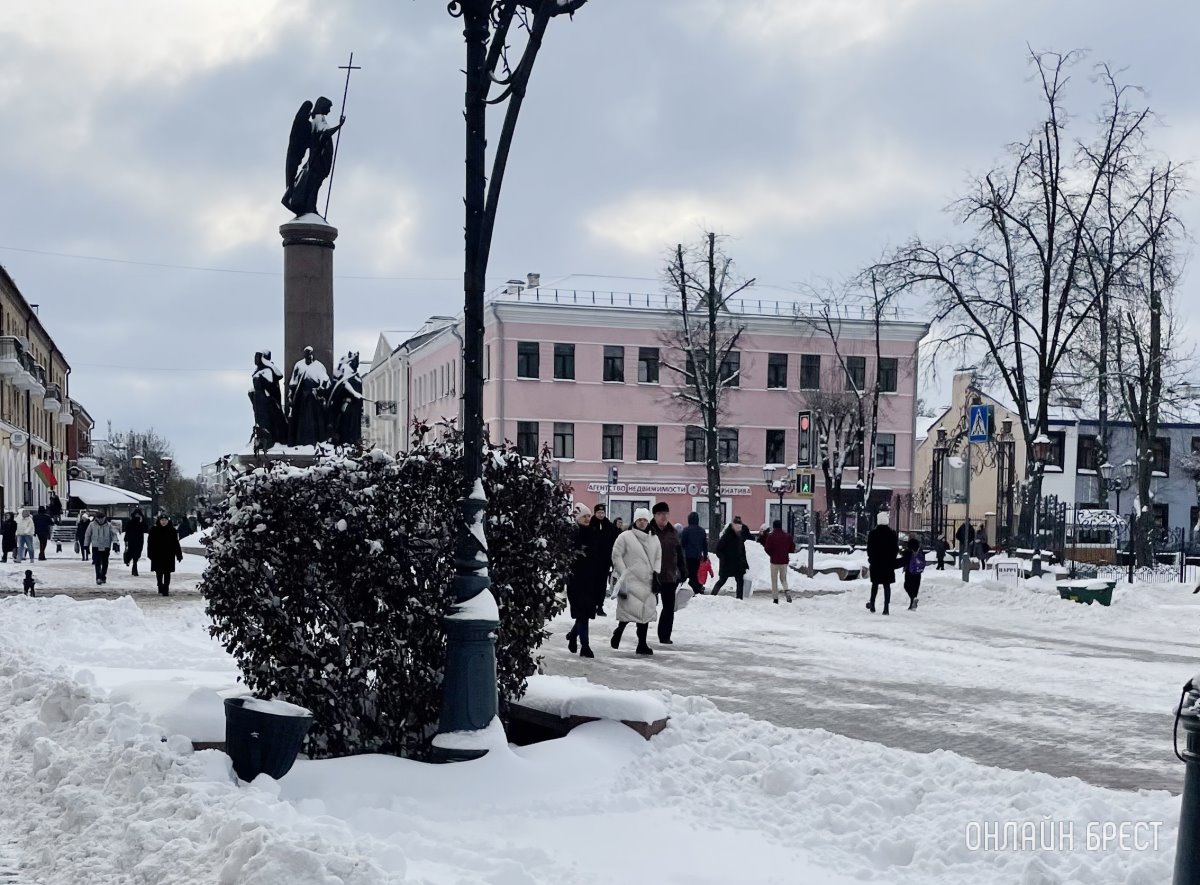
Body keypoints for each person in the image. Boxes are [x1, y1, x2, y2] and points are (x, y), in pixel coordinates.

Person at [281, 96, 346, 217]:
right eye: (329, 107)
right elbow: (325, 134)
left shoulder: (317, 119)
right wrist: (339, 125)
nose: (329, 111)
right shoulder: (319, 119)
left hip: (316, 160)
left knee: (313, 184)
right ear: (323, 106)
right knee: (314, 185)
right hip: (317, 161)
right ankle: (311, 208)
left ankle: (310, 208)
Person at [610, 508, 661, 656]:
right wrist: (623, 571)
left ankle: (642, 644)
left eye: (645, 520)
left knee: (644, 613)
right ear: (635, 521)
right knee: (629, 610)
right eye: (640, 520)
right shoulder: (625, 537)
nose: (642, 523)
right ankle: (619, 631)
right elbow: (616, 554)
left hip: (648, 580)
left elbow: (658, 556)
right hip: (630, 579)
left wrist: (657, 573)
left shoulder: (654, 538)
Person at [648, 502, 686, 645]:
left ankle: (665, 635)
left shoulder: (672, 532)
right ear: (655, 516)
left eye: (666, 514)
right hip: (652, 575)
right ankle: (641, 635)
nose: (663, 517)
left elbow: (679, 552)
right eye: (660, 514)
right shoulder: (648, 530)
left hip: (669, 574)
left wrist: (682, 569)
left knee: (669, 607)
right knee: (647, 605)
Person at [565, 503, 598, 658]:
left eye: (589, 516)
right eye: (584, 516)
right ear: (577, 517)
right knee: (582, 613)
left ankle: (573, 636)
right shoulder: (571, 535)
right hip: (575, 580)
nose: (587, 519)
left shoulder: (593, 533)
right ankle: (585, 646)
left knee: (585, 613)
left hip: (591, 579)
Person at [288, 346, 331, 445]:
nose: (308, 356)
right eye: (306, 353)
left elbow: (326, 381)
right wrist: (290, 396)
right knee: (302, 421)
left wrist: (321, 388)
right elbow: (293, 383)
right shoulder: (299, 365)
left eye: (310, 353)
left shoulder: (319, 366)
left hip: (315, 399)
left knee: (315, 421)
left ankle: (316, 440)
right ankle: (302, 441)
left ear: (312, 354)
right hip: (302, 398)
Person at [588, 503, 620, 616]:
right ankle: (591, 605)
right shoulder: (590, 525)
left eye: (602, 512)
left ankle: (600, 606)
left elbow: (615, 542)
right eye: (599, 512)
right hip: (592, 561)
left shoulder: (609, 526)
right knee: (592, 583)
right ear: (595, 513)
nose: (601, 514)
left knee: (602, 584)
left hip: (604, 561)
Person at [866, 511, 899, 615]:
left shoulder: (873, 533)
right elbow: (895, 549)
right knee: (886, 586)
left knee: (874, 585)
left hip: (876, 563)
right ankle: (886, 608)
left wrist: (871, 559)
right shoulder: (892, 534)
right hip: (888, 564)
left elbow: (869, 549)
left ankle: (872, 604)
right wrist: (892, 559)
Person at [148, 513, 184, 596]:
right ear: (159, 521)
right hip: (157, 555)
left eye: (165, 520)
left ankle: (166, 588)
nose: (164, 522)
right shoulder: (154, 530)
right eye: (162, 520)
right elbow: (150, 543)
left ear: (168, 521)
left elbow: (176, 543)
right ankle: (160, 585)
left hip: (169, 555)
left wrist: (178, 554)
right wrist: (150, 554)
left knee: (167, 572)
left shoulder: (172, 531)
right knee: (159, 572)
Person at [712, 520, 749, 599]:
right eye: (737, 527)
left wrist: (744, 562)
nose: (739, 529)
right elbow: (718, 549)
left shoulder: (739, 537)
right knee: (722, 580)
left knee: (740, 581)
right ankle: (712, 596)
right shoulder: (726, 536)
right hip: (727, 563)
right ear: (733, 526)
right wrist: (723, 558)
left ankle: (739, 599)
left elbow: (742, 551)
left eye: (740, 527)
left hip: (738, 564)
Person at [763, 519, 797, 604]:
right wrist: (786, 552)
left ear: (774, 526)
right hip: (784, 561)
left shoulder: (771, 536)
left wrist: (772, 554)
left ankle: (775, 599)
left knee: (774, 580)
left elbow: (767, 548)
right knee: (783, 578)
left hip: (774, 561)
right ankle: (786, 590)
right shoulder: (787, 536)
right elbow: (792, 547)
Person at [679, 512, 709, 595]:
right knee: (695, 573)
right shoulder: (702, 531)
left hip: (687, 556)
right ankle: (698, 588)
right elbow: (705, 544)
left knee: (689, 574)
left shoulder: (686, 530)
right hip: (697, 556)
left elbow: (683, 544)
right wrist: (705, 555)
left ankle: (696, 591)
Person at [84, 513, 118, 586]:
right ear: (96, 518)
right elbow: (88, 535)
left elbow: (114, 534)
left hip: (106, 546)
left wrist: (115, 543)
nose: (100, 520)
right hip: (96, 546)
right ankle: (98, 577)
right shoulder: (92, 525)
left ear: (104, 518)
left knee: (105, 562)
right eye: (99, 518)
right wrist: (86, 545)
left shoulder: (109, 525)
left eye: (102, 518)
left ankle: (103, 576)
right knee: (97, 562)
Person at [898, 536, 925, 610]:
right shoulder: (920, 551)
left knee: (907, 586)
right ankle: (912, 604)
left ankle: (913, 599)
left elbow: (902, 562)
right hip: (918, 572)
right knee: (915, 588)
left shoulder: (908, 552)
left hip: (909, 572)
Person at [124, 509, 147, 577]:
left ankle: (134, 566)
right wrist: (126, 539)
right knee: (132, 553)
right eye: (136, 514)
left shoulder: (142, 521)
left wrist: (141, 522)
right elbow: (127, 530)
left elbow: (145, 529)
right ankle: (134, 568)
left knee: (137, 554)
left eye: (138, 514)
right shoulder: (130, 521)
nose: (137, 516)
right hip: (132, 540)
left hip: (139, 540)